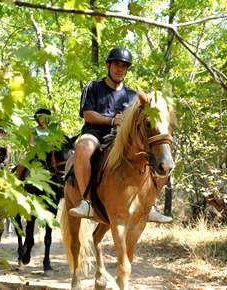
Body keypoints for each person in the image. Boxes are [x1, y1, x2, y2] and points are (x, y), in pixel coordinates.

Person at [68, 47, 173, 223]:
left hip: (124, 138)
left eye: (124, 66)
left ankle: (150, 206)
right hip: (96, 133)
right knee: (83, 147)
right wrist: (111, 121)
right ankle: (86, 201)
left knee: (162, 158)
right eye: (116, 65)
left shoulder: (133, 94)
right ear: (108, 66)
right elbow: (88, 114)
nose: (120, 69)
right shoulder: (93, 86)